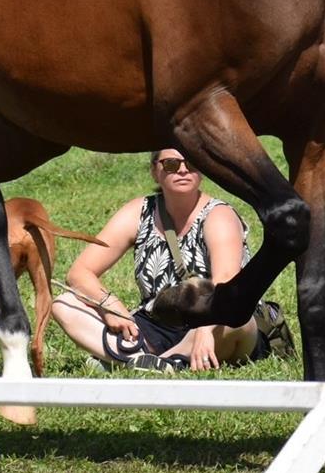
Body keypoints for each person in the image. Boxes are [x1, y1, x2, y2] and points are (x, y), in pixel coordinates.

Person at [50, 148, 258, 372]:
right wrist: (109, 305)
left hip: (217, 320)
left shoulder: (218, 215)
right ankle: (158, 363)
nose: (182, 170)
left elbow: (226, 283)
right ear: (154, 171)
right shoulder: (139, 212)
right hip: (155, 325)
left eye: (192, 163)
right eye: (170, 164)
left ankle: (137, 360)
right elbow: (79, 272)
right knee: (63, 304)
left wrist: (204, 329)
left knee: (238, 321)